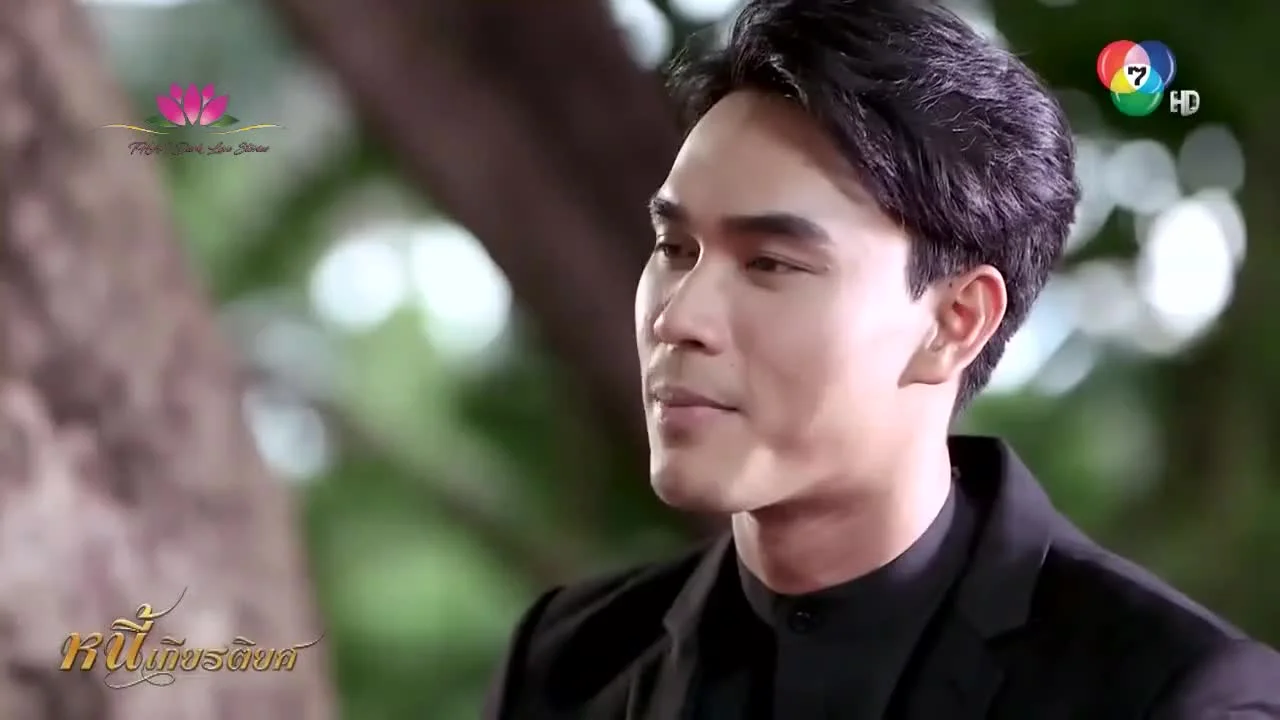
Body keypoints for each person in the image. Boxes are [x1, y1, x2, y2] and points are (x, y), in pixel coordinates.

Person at [483, 0, 1280, 717]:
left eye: (769, 263)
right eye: (674, 248)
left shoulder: (1167, 693)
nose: (677, 317)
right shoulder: (567, 662)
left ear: (954, 323)